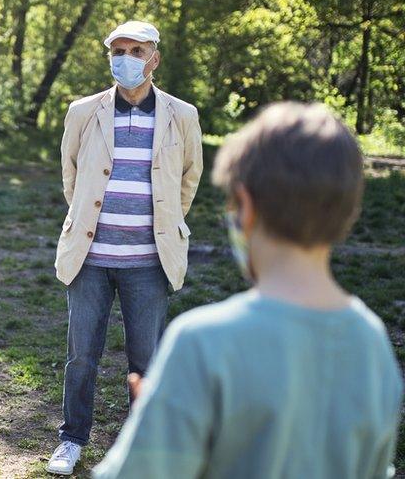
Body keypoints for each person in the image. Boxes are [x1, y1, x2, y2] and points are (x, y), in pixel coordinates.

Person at [94, 102, 404, 479]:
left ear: (245, 206)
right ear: (348, 211)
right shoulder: (371, 340)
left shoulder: (202, 341)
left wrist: (154, 425)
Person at [48, 20, 204, 474]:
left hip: (149, 261)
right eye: (118, 50)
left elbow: (189, 177)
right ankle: (72, 439)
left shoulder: (182, 114)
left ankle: (143, 445)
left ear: (154, 58)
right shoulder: (83, 111)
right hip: (90, 260)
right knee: (81, 356)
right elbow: (71, 174)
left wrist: (166, 224)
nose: (126, 58)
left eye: (136, 50)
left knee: (147, 359)